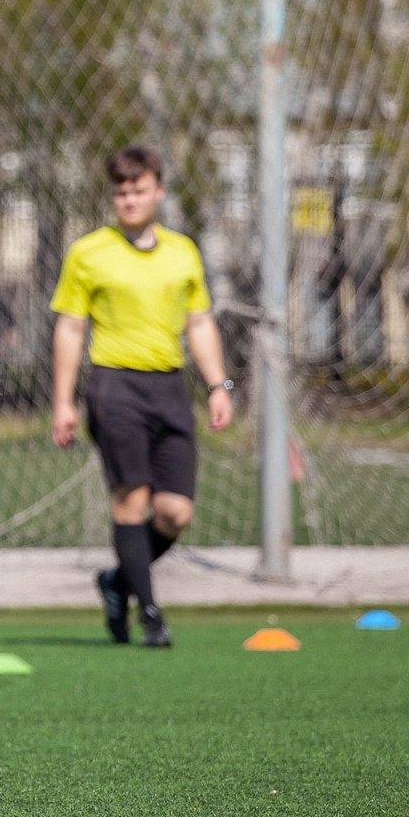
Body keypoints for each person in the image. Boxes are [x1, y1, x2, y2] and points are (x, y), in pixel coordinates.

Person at [49, 146, 234, 649]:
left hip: (170, 387)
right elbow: (69, 327)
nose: (129, 199)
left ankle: (117, 581)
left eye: (139, 189)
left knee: (175, 512)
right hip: (114, 386)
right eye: (121, 191)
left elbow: (199, 322)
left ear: (159, 191)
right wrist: (63, 401)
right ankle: (150, 614)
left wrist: (219, 385)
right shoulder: (89, 252)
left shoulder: (183, 252)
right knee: (131, 501)